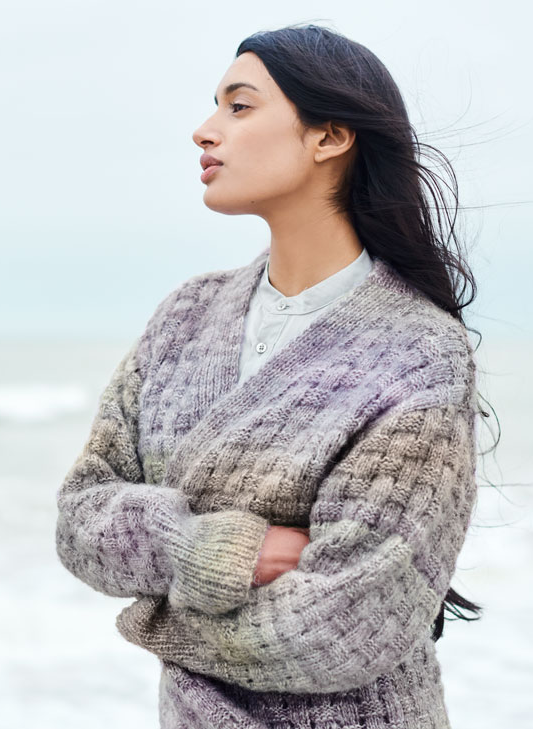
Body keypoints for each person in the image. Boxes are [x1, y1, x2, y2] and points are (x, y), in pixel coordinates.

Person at [56, 23, 490, 729]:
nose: (204, 131)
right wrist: (211, 549)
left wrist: (158, 616)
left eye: (239, 105)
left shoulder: (418, 353)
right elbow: (80, 518)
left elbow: (349, 623)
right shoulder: (185, 317)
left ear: (329, 137)